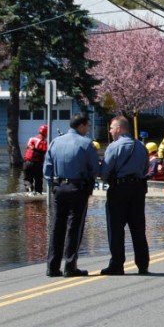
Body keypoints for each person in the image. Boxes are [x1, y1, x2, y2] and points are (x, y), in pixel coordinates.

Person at [42, 114, 98, 277]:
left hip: (59, 188)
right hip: (77, 187)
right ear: (81, 126)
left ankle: (52, 267)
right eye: (87, 126)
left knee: (56, 226)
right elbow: (94, 169)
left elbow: (47, 169)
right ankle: (70, 266)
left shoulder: (55, 142)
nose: (87, 129)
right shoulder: (86, 143)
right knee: (74, 227)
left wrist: (54, 184)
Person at [100, 116, 150, 275]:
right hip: (137, 189)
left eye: (112, 128)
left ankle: (117, 264)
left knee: (115, 228)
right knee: (138, 228)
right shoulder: (141, 147)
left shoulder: (114, 147)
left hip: (119, 188)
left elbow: (104, 172)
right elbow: (145, 168)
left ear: (119, 129)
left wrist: (109, 179)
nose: (110, 131)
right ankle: (142, 264)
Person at [23, 124, 48, 194]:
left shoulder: (31, 139)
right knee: (38, 181)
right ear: (46, 133)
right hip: (36, 164)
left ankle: (29, 189)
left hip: (26, 163)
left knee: (27, 180)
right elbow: (45, 151)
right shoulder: (43, 142)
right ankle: (38, 197)